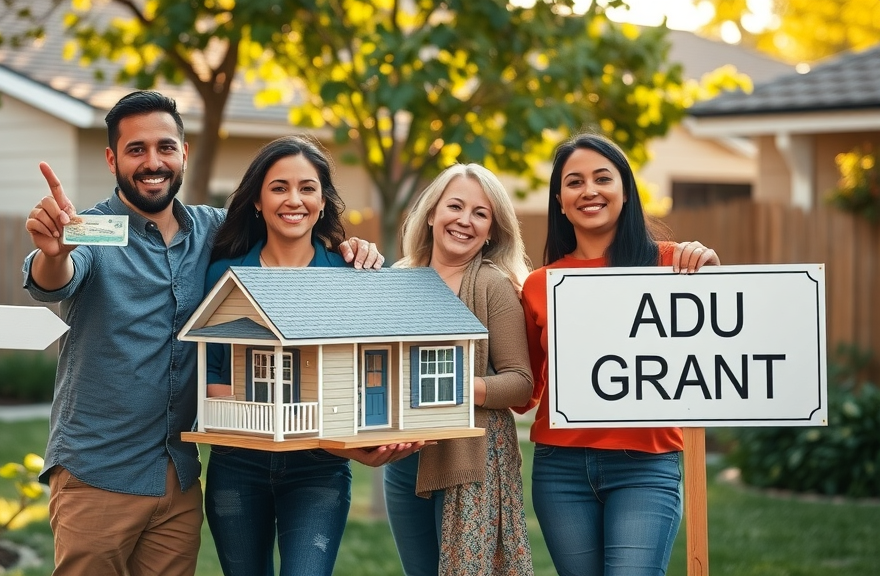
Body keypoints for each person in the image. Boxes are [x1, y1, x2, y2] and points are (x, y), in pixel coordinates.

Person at [22, 91, 381, 576]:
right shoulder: (93, 229)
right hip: (99, 471)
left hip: (178, 477)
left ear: (184, 153)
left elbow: (290, 222)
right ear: (112, 158)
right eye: (137, 149)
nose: (154, 162)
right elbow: (54, 278)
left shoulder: (214, 231)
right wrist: (53, 251)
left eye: (166, 147)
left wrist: (347, 246)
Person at [201, 134, 419, 576]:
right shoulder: (225, 275)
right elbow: (212, 380)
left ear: (322, 202)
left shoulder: (351, 274)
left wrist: (355, 443)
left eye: (307, 188)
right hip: (237, 465)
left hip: (318, 471)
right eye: (279, 187)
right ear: (257, 201)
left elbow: (365, 376)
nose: (293, 199)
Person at [517, 132, 720, 576]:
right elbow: (525, 393)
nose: (589, 190)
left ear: (625, 191)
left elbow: (714, 341)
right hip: (560, 468)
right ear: (560, 200)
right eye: (574, 182)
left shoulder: (673, 266)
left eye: (602, 178)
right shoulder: (538, 285)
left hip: (646, 465)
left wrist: (710, 272)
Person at [384, 163, 535, 576]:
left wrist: (453, 389)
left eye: (480, 214)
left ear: (492, 231)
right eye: (455, 206)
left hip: (470, 460)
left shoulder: (492, 286)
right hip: (403, 461)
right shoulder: (395, 279)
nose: (465, 221)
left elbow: (520, 384)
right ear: (432, 212)